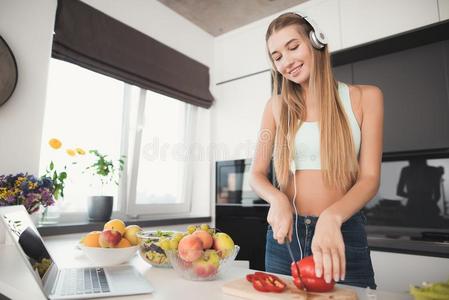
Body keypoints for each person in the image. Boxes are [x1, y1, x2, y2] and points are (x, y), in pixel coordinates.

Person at [249, 12, 383, 289]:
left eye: (293, 47)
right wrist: (277, 199)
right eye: (277, 57)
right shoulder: (274, 107)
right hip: (284, 237)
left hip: (341, 232)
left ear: (316, 41)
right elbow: (257, 174)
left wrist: (332, 217)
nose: (287, 61)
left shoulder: (366, 97)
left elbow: (370, 178)